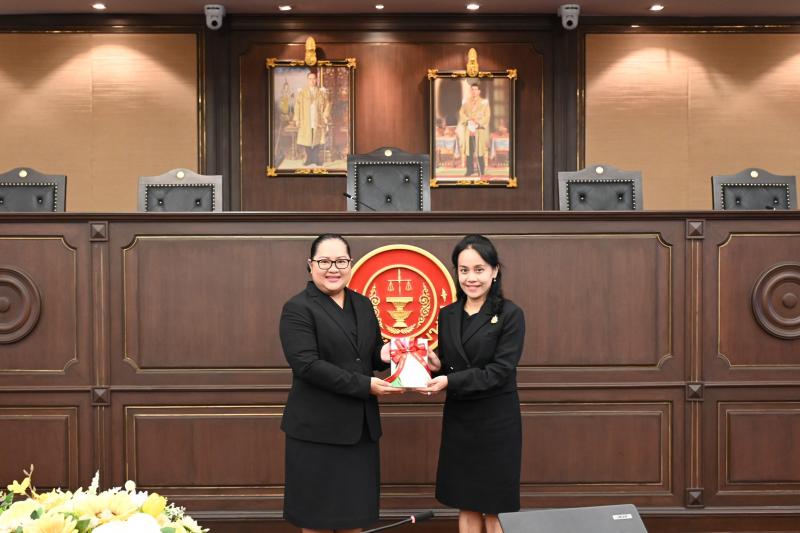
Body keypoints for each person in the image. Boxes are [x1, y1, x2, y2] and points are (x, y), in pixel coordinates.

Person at [280, 234, 402, 532]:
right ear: (310, 265)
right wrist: (365, 386)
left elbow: (369, 354)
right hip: (316, 433)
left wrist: (388, 354)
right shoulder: (297, 308)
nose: (333, 268)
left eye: (341, 261)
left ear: (351, 264)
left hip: (360, 433)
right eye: (324, 261)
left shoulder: (362, 304)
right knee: (317, 521)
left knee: (354, 519)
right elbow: (307, 365)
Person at [421, 234, 525, 533]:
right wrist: (436, 365)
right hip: (460, 421)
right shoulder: (448, 314)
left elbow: (499, 371)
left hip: (496, 423)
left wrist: (447, 379)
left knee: (494, 506)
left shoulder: (510, 314)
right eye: (464, 270)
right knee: (465, 501)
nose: (471, 278)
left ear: (494, 271)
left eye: (479, 269)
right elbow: (451, 362)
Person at [293, 70, 330, 166]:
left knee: (317, 138)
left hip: (317, 119)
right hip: (306, 119)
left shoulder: (321, 92)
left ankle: (316, 159)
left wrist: (325, 116)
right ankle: (309, 159)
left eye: (314, 79)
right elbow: (297, 106)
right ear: (307, 80)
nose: (312, 81)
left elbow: (327, 104)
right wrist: (297, 119)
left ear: (316, 80)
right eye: (310, 79)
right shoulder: (302, 92)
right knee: (307, 139)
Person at [457, 83, 491, 177]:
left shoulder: (484, 102)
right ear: (470, 91)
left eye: (476, 89)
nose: (474, 91)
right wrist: (468, 120)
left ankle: (481, 170)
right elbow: (461, 113)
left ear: (479, 91)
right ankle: (470, 170)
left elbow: (487, 115)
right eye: (472, 89)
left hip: (479, 130)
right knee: (469, 151)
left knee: (479, 151)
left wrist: (478, 122)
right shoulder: (465, 102)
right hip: (469, 130)